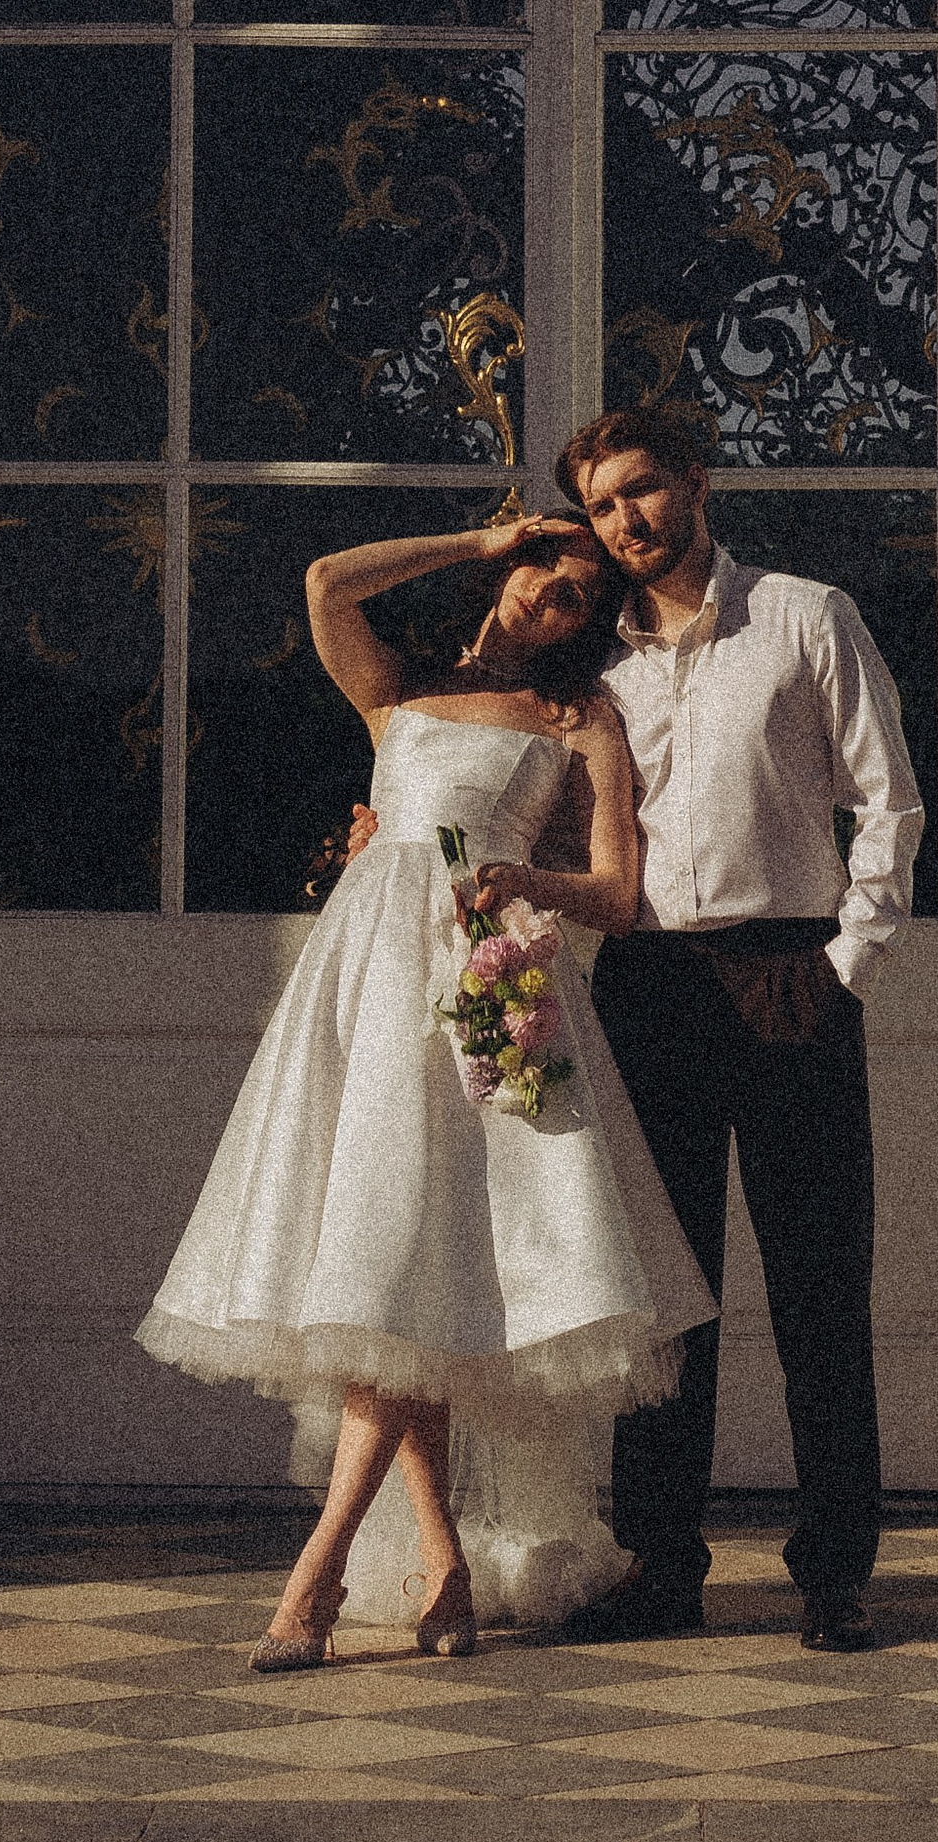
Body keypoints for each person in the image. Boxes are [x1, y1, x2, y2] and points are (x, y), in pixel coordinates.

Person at [137, 513, 716, 1669]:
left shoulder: (577, 717)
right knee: (399, 1282)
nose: (560, 593)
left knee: (412, 1278)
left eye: (585, 592)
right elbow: (322, 572)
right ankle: (443, 1566)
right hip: (363, 990)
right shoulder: (395, 691)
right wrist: (478, 536)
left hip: (482, 991)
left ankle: (318, 1571)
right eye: (548, 568)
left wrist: (521, 879)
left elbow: (613, 889)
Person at [554, 402, 925, 1655]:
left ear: (696, 482)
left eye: (643, 491)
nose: (627, 522)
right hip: (645, 987)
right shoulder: (587, 664)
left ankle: (835, 1575)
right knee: (667, 1303)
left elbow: (888, 800)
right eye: (602, 506)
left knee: (821, 1291)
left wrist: (846, 964)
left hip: (787, 976)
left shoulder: (805, 617)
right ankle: (662, 1569)